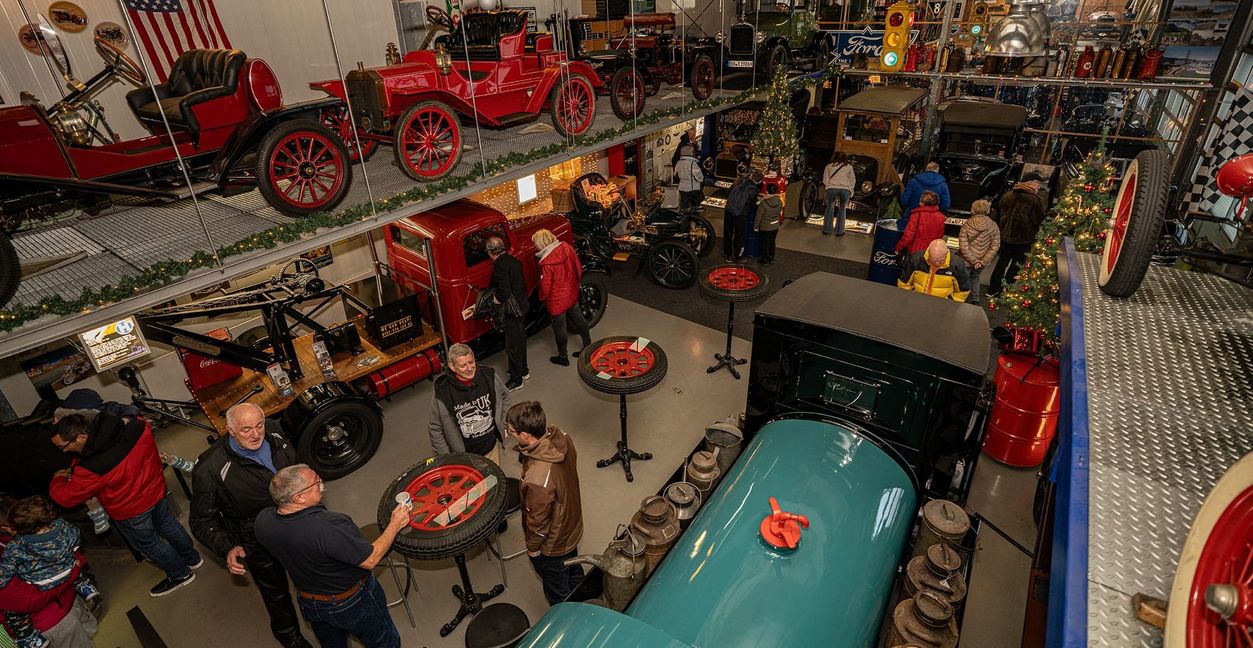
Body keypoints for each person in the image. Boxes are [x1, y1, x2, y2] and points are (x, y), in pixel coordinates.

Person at [190, 403, 312, 648]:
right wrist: (227, 547)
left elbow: (298, 470)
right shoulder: (210, 468)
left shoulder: (275, 432)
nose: (256, 434)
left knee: (312, 576)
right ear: (230, 430)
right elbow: (201, 520)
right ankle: (290, 637)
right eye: (246, 429)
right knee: (275, 594)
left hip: (298, 524)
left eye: (259, 425)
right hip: (257, 541)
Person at [254, 465, 410, 648]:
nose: (320, 480)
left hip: (310, 602)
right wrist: (395, 524)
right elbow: (370, 559)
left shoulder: (263, 521)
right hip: (352, 602)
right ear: (298, 498)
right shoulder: (328, 526)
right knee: (385, 643)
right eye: (315, 481)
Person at [49, 413, 201, 598]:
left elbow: (66, 498)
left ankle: (181, 574)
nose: (64, 451)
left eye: (63, 446)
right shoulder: (138, 427)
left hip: (132, 509)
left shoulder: (91, 468)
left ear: (81, 437)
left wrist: (58, 480)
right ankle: (192, 558)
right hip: (156, 490)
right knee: (168, 524)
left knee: (150, 543)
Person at [506, 401, 584, 605]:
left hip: (554, 543)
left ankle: (567, 618)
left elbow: (538, 522)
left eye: (511, 431)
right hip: (571, 522)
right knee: (574, 568)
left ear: (525, 435)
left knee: (558, 591)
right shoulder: (563, 438)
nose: (509, 435)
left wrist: (533, 548)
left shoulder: (537, 478)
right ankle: (586, 601)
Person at [0, 497, 99, 648]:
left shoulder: (16, 545)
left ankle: (27, 636)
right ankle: (84, 585)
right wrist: (73, 569)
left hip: (52, 590)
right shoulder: (63, 526)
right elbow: (76, 545)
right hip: (55, 616)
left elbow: (6, 573)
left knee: (14, 615)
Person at [428, 343, 511, 465]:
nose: (469, 368)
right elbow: (435, 428)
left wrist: (504, 424)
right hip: (465, 458)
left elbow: (505, 396)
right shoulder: (442, 393)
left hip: (491, 448)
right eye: (463, 365)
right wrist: (446, 457)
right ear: (452, 366)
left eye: (471, 362)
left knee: (493, 476)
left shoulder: (489, 377)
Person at [533, 228, 591, 366]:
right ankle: (588, 346)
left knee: (560, 329)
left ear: (541, 244)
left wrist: (541, 298)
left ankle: (563, 357)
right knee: (580, 320)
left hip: (557, 301)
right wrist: (576, 283)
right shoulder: (567, 247)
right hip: (571, 293)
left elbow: (545, 287)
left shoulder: (546, 263)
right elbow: (578, 268)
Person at [988, 171, 1048, 296]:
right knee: (1016, 266)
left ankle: (992, 289)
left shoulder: (1008, 195)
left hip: (1005, 237)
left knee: (1001, 263)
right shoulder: (1034, 200)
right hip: (1023, 240)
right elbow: (1038, 220)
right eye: (1037, 183)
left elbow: (998, 214)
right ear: (1030, 183)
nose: (1039, 186)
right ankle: (1005, 291)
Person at [487, 236, 529, 391]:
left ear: (490, 252)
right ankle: (523, 371)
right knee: (520, 339)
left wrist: (495, 299)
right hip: (522, 306)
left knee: (512, 346)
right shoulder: (514, 261)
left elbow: (504, 292)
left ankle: (516, 380)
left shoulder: (499, 268)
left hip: (512, 311)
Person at [898, 239, 973, 302]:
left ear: (947, 252)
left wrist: (950, 303)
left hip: (942, 305)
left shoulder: (957, 265)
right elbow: (904, 283)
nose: (936, 263)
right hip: (917, 300)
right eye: (933, 260)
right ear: (928, 251)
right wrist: (907, 299)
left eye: (940, 260)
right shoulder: (916, 259)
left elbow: (963, 290)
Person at [958, 199, 1001, 306]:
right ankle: (975, 299)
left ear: (973, 210)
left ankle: (959, 298)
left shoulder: (967, 224)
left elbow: (963, 245)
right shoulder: (994, 225)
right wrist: (983, 261)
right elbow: (995, 245)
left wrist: (973, 260)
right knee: (976, 277)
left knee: (962, 278)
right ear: (987, 210)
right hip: (981, 261)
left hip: (966, 260)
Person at [895, 190, 947, 256]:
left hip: (916, 252)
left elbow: (908, 236)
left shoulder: (916, 215)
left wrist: (898, 247)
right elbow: (940, 236)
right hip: (931, 252)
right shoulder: (941, 217)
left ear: (922, 202)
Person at [723, 168, 758, 262]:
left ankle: (727, 254)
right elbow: (752, 205)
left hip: (728, 211)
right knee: (740, 236)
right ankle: (738, 257)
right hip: (740, 215)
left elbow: (728, 193)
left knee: (728, 234)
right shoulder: (753, 190)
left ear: (751, 176)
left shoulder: (737, 182)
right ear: (759, 181)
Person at [822, 151, 857, 236]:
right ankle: (839, 231)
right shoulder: (849, 167)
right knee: (842, 208)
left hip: (832, 188)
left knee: (830, 207)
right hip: (845, 190)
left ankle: (827, 230)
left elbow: (825, 180)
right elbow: (853, 180)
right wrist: (850, 189)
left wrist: (830, 185)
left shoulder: (828, 166)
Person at [754, 183, 783, 266]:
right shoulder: (780, 201)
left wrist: (756, 226)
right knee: (772, 242)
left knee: (765, 243)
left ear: (767, 191)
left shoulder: (763, 203)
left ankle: (765, 260)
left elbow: (758, 216)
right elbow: (779, 212)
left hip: (766, 226)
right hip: (775, 225)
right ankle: (771, 258)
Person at [675, 145, 706, 213]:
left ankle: (684, 216)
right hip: (692, 188)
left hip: (682, 188)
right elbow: (699, 176)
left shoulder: (679, 162)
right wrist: (701, 180)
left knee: (684, 205)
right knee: (694, 204)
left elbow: (675, 174)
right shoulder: (693, 163)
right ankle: (694, 215)